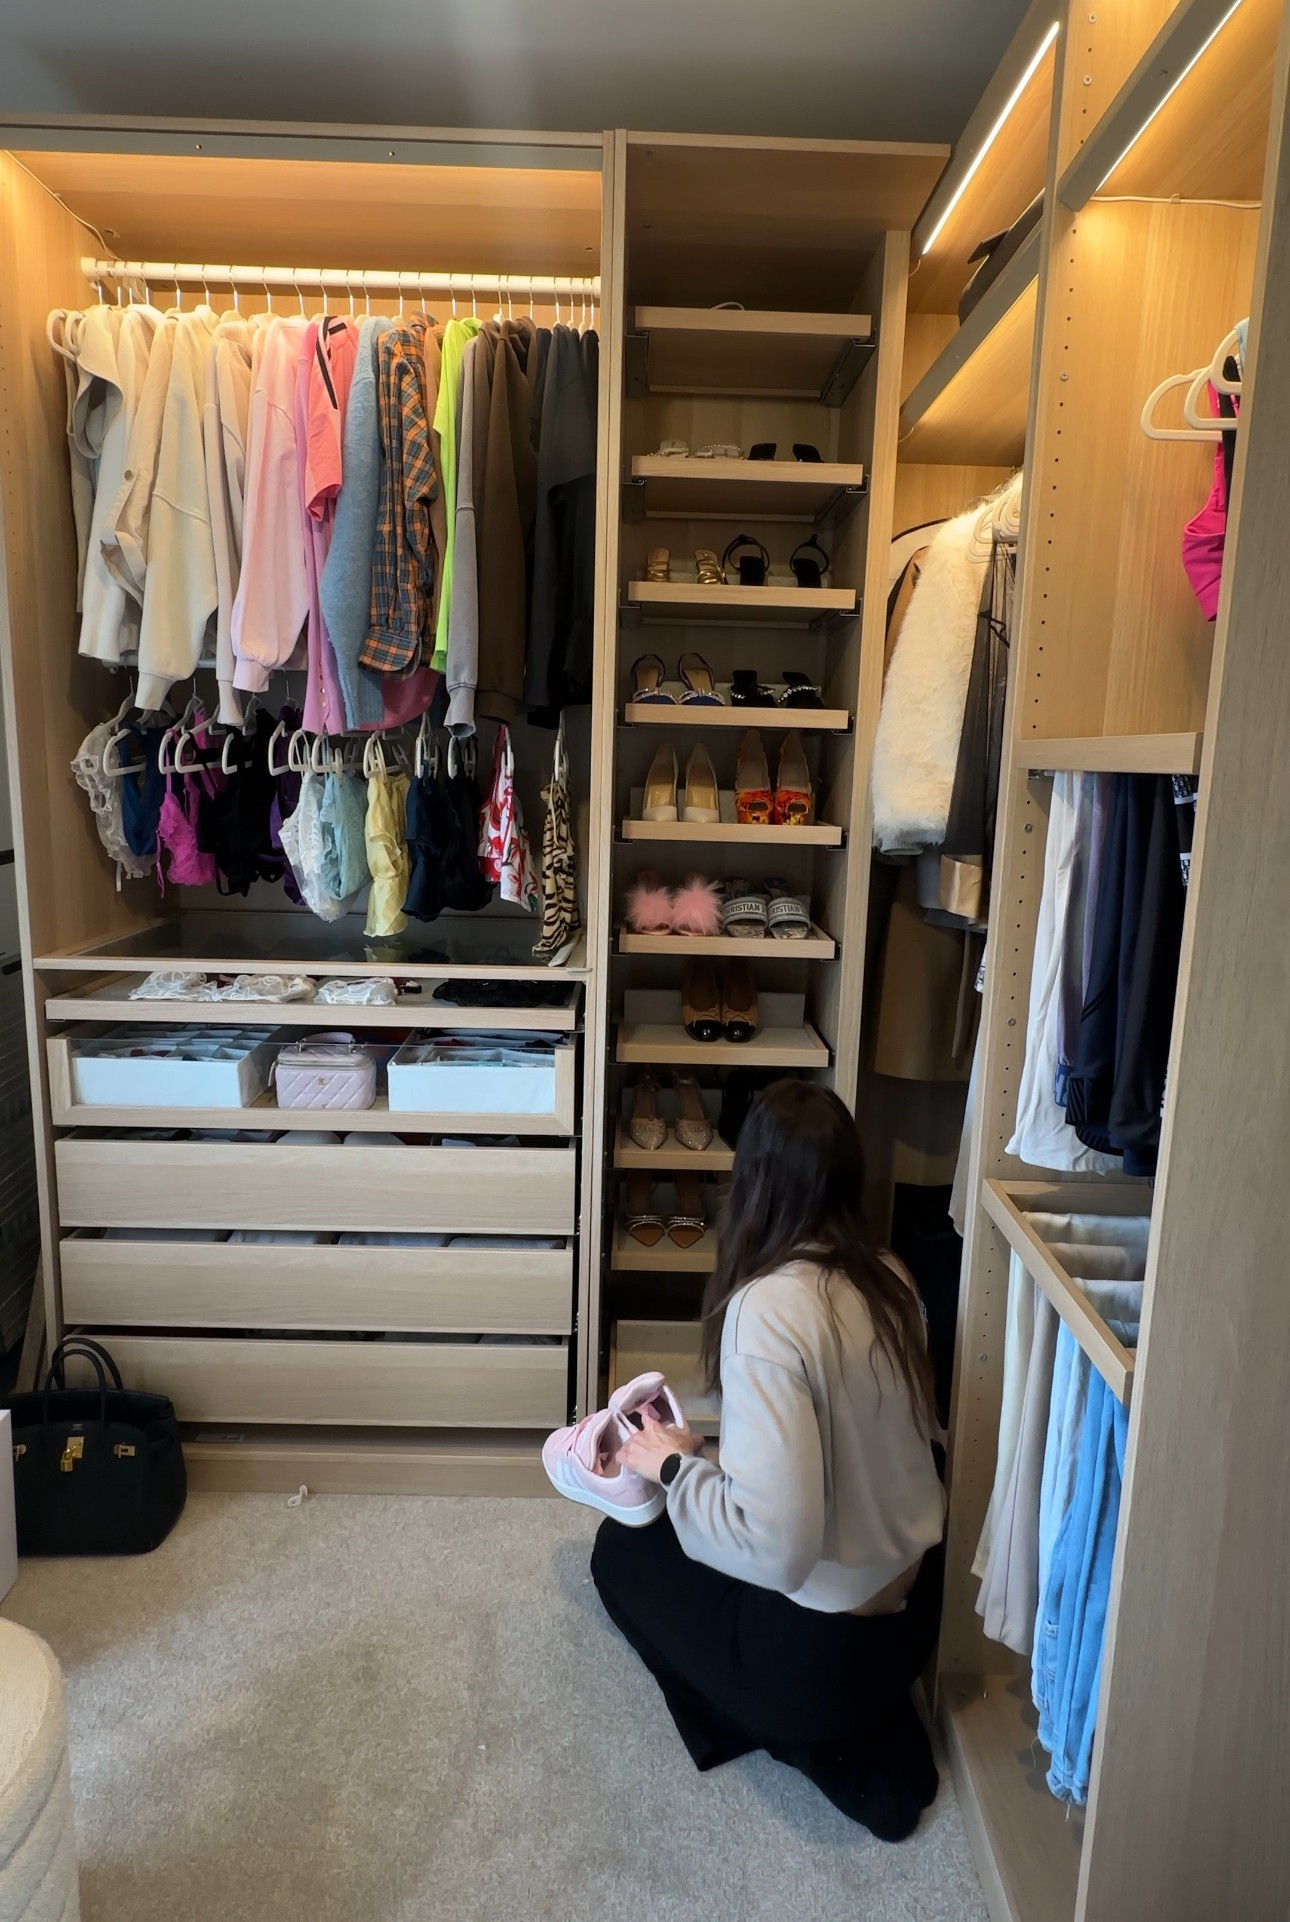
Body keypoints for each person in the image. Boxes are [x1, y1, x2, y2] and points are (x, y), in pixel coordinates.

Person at [591, 1080, 947, 1840]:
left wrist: (675, 1468)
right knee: (698, 1536)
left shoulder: (766, 1310)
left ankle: (813, 1740)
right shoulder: (890, 1274)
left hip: (824, 1658)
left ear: (750, 1181)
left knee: (621, 1553)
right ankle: (861, 1723)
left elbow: (778, 1550)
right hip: (914, 1620)